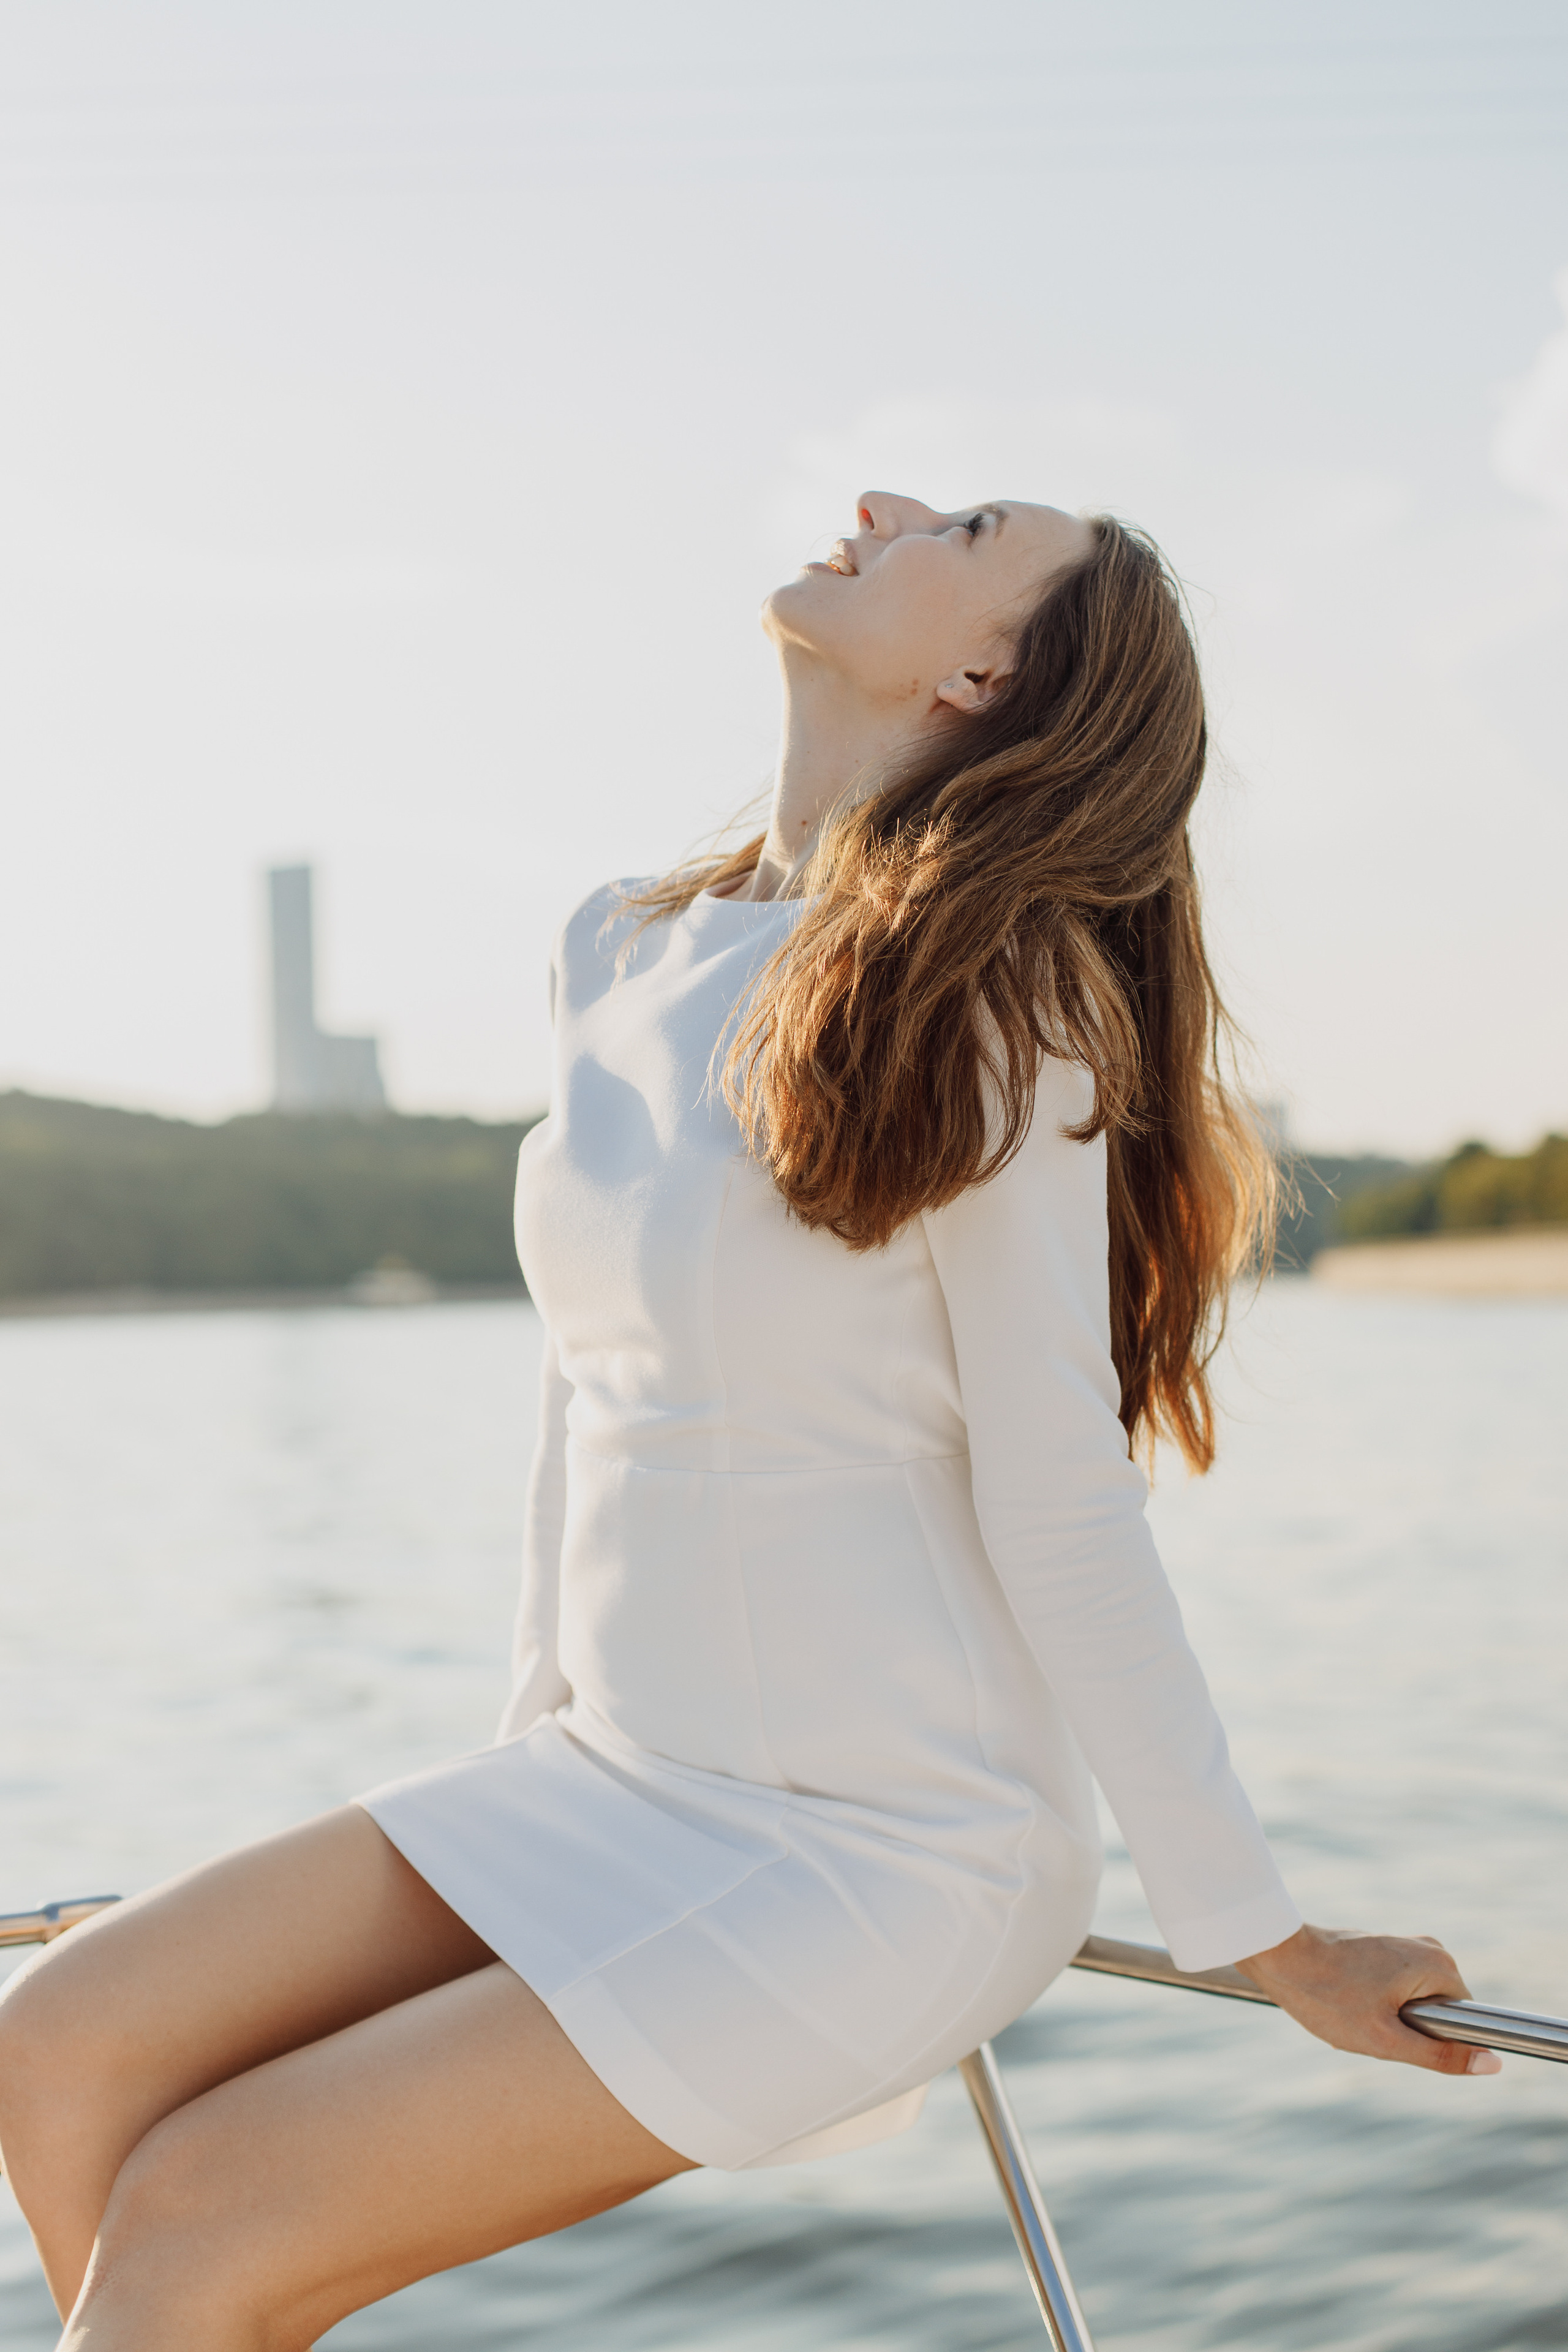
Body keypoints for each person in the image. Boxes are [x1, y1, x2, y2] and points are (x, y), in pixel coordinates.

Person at [0, 491, 1496, 2351]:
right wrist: (514, 1773)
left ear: (981, 675)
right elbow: (587, 1401)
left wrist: (1259, 1935)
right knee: (58, 2051)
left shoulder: (994, 991)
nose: (880, 510)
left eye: (961, 526)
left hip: (886, 1850)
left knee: (194, 2235)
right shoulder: (619, 950)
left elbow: (1062, 1498)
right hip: (608, 1775)